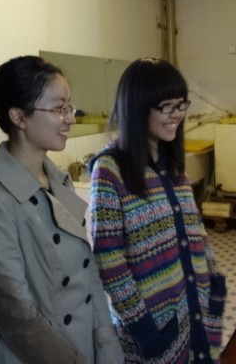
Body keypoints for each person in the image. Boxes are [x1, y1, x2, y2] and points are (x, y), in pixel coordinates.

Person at [0, 56, 124, 364]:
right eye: (59, 109)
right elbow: (16, 313)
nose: (70, 118)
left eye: (70, 107)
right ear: (19, 117)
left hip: (87, 347)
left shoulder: (58, 179)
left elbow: (89, 274)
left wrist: (107, 346)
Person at [88, 57, 225, 363]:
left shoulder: (172, 166)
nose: (177, 115)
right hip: (153, 333)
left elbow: (196, 231)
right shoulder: (110, 170)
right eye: (167, 106)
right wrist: (146, 330)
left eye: (181, 105)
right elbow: (110, 263)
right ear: (137, 107)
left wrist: (214, 282)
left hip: (193, 318)